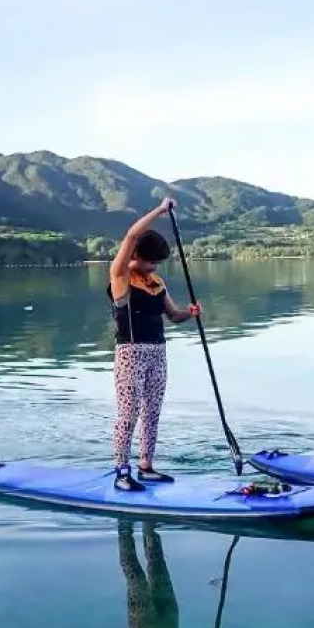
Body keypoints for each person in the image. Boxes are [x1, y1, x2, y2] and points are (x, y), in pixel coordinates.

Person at [107, 198, 201, 491]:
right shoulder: (121, 277)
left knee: (152, 411)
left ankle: (145, 466)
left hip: (157, 354)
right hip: (130, 354)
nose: (154, 267)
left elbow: (173, 316)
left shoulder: (156, 282)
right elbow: (132, 235)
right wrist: (161, 211)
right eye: (151, 261)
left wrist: (191, 313)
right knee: (129, 413)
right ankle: (122, 471)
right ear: (136, 256)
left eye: (157, 263)